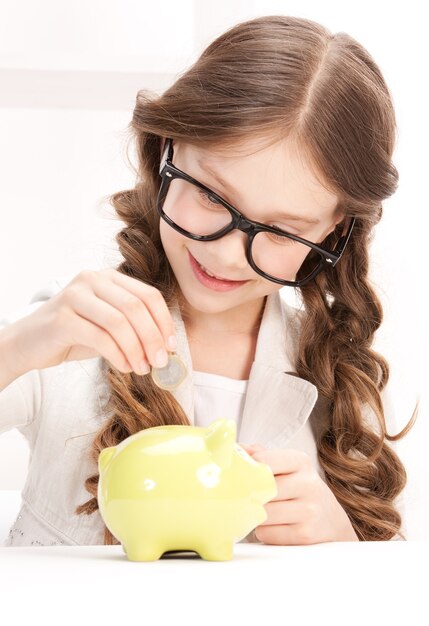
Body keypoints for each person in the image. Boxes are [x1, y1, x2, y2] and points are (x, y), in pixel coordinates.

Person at [0, 14, 418, 548]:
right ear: (167, 149)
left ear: (335, 231)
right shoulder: (71, 329)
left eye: (281, 231)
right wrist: (16, 348)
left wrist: (344, 545)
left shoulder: (347, 383)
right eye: (211, 197)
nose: (225, 254)